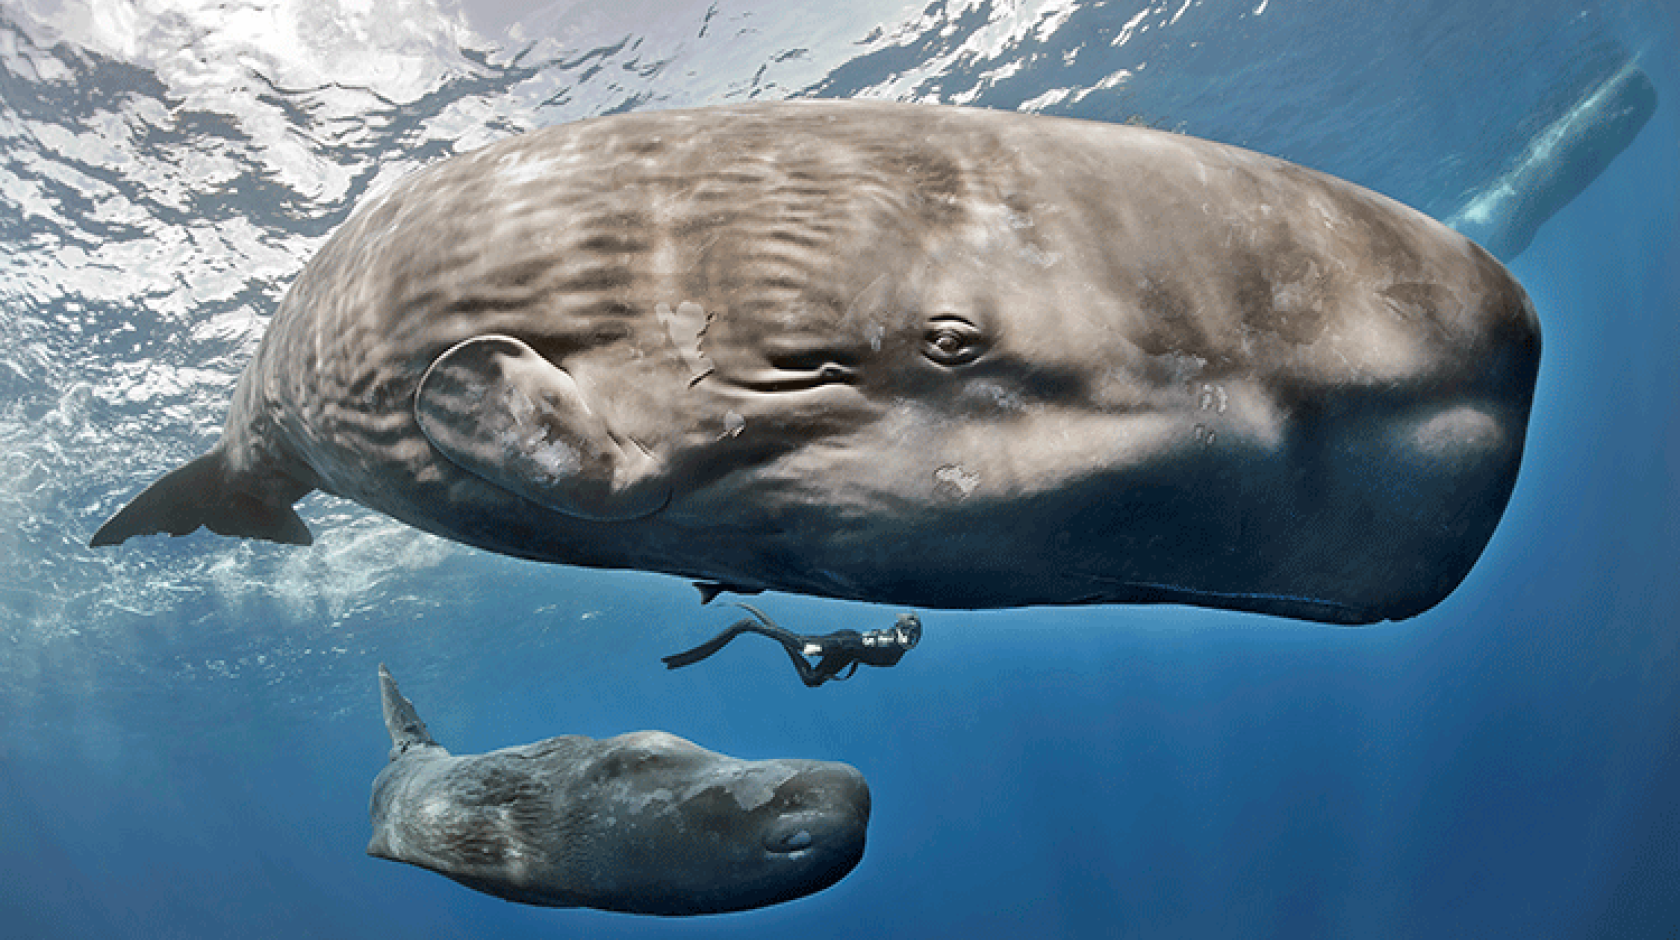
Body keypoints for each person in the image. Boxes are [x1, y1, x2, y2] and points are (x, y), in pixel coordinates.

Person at [662, 605, 921, 687]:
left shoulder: (893, 649)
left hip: (847, 650)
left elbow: (859, 648)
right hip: (843, 644)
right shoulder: (890, 644)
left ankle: (762, 626)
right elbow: (853, 642)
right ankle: (748, 626)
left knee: (810, 679)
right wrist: (820, 649)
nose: (894, 628)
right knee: (800, 644)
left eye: (900, 628)